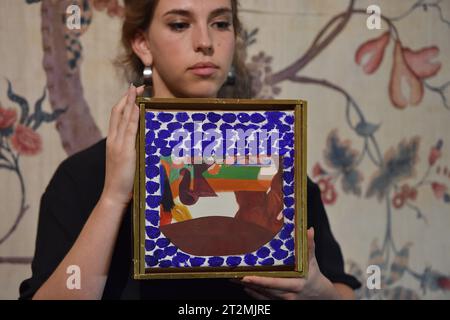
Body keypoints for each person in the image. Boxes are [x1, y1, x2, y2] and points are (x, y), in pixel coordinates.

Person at [19, 0, 361, 300]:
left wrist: (318, 293)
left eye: (221, 23)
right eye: (180, 24)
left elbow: (341, 290)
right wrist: (113, 197)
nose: (205, 42)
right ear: (142, 43)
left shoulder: (273, 167)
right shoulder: (83, 177)